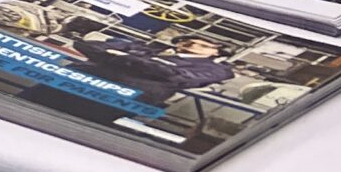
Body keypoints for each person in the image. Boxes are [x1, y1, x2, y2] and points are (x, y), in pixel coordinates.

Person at [70, 30, 233, 104]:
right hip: (81, 79)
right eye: (188, 42)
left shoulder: (215, 69)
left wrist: (123, 57)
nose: (192, 44)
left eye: (203, 45)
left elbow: (174, 76)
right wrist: (132, 59)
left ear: (215, 53)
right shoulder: (148, 49)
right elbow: (86, 46)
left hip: (125, 96)